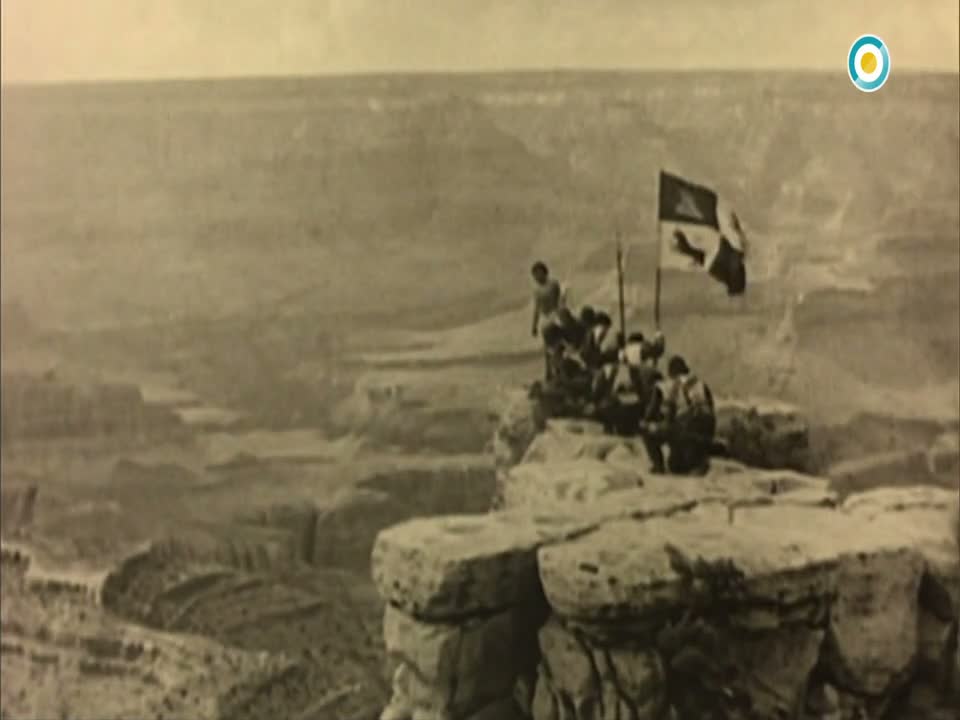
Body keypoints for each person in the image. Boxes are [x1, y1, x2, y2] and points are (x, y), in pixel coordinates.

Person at [640, 355, 716, 475]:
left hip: (686, 427)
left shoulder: (667, 385)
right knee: (677, 465)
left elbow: (655, 414)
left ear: (670, 372)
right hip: (706, 430)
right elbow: (711, 409)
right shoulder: (701, 384)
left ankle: (658, 467)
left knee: (647, 431)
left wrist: (651, 424)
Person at [530, 261, 566, 380]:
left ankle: (559, 370)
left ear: (544, 272)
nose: (536, 277)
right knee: (547, 347)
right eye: (534, 275)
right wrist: (534, 325)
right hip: (546, 318)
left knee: (558, 344)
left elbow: (559, 301)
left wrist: (561, 316)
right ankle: (549, 372)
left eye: (538, 273)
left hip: (555, 315)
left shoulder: (553, 284)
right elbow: (537, 308)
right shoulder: (537, 290)